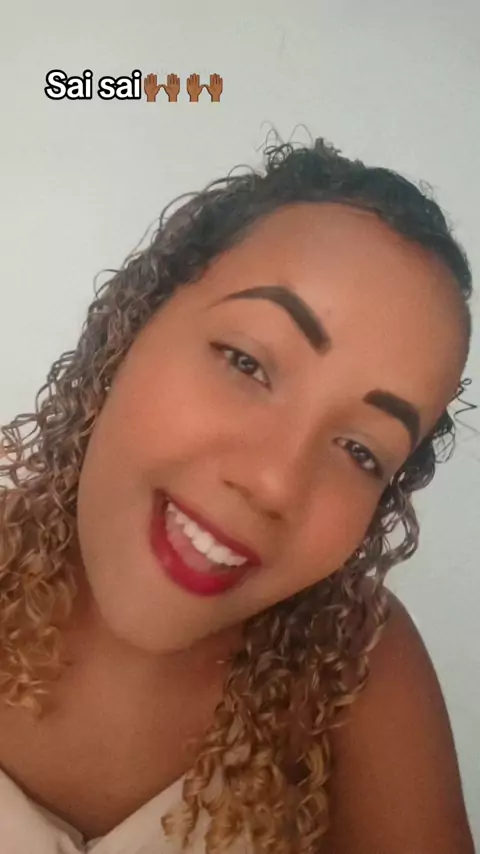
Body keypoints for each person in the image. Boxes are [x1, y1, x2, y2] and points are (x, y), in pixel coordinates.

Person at [0, 136, 475, 854]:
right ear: (134, 322)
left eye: (361, 451)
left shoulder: (355, 673)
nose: (275, 482)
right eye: (247, 362)